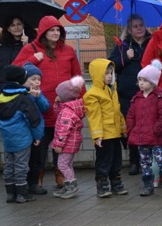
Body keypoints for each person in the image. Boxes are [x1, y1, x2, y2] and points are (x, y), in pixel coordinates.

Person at [13, 15, 83, 194]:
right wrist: (33, 60)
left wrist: (81, 103)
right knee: (40, 146)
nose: (56, 33)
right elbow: (16, 70)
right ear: (43, 32)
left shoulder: (68, 50)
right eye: (52, 30)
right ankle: (38, 176)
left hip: (64, 108)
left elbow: (77, 77)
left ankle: (61, 174)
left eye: (58, 29)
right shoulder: (31, 49)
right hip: (40, 106)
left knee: (62, 144)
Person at [109, 15, 152, 176]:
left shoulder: (152, 43)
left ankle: (149, 160)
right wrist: (126, 58)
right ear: (129, 29)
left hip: (148, 93)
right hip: (127, 94)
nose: (139, 29)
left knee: (148, 126)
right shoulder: (122, 46)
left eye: (141, 25)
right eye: (135, 26)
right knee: (131, 128)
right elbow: (111, 66)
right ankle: (134, 161)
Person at [0, 65, 44, 204]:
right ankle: (22, 194)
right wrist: (38, 136)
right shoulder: (23, 98)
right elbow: (34, 119)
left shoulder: (1, 96)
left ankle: (10, 193)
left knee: (9, 165)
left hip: (7, 139)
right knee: (21, 166)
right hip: (22, 139)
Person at [126, 59, 162, 197]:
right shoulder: (137, 98)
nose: (141, 83)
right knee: (145, 162)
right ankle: (148, 185)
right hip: (140, 136)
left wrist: (156, 130)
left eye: (144, 80)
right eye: (139, 80)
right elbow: (131, 115)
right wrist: (131, 129)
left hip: (154, 137)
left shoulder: (160, 97)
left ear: (152, 82)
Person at [84, 58, 128, 198]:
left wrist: (123, 128)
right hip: (104, 136)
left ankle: (116, 182)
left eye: (111, 73)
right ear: (98, 75)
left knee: (116, 160)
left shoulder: (111, 90)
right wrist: (97, 136)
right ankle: (102, 184)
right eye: (106, 73)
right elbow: (94, 117)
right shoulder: (92, 94)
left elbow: (117, 112)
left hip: (115, 133)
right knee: (104, 161)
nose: (109, 76)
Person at [50, 76, 85, 199]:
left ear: (64, 96)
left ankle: (71, 186)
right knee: (67, 164)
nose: (57, 95)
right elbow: (58, 114)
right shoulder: (69, 108)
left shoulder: (67, 112)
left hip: (67, 144)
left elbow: (63, 130)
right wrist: (57, 104)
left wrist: (59, 144)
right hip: (72, 142)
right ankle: (68, 185)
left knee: (62, 165)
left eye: (59, 94)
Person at [22, 63, 51, 194]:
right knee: (23, 160)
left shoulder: (39, 93)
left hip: (37, 132)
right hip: (25, 132)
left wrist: (38, 97)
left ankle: (33, 184)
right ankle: (22, 184)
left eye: (39, 79)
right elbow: (26, 108)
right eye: (33, 79)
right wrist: (32, 97)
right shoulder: (22, 94)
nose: (37, 82)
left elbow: (46, 107)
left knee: (36, 159)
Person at [0, 17, 31, 101]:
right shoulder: (2, 46)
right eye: (12, 25)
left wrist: (27, 45)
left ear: (23, 26)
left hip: (20, 89)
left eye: (19, 24)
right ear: (8, 29)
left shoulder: (31, 44)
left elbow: (31, 64)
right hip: (0, 88)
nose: (16, 27)